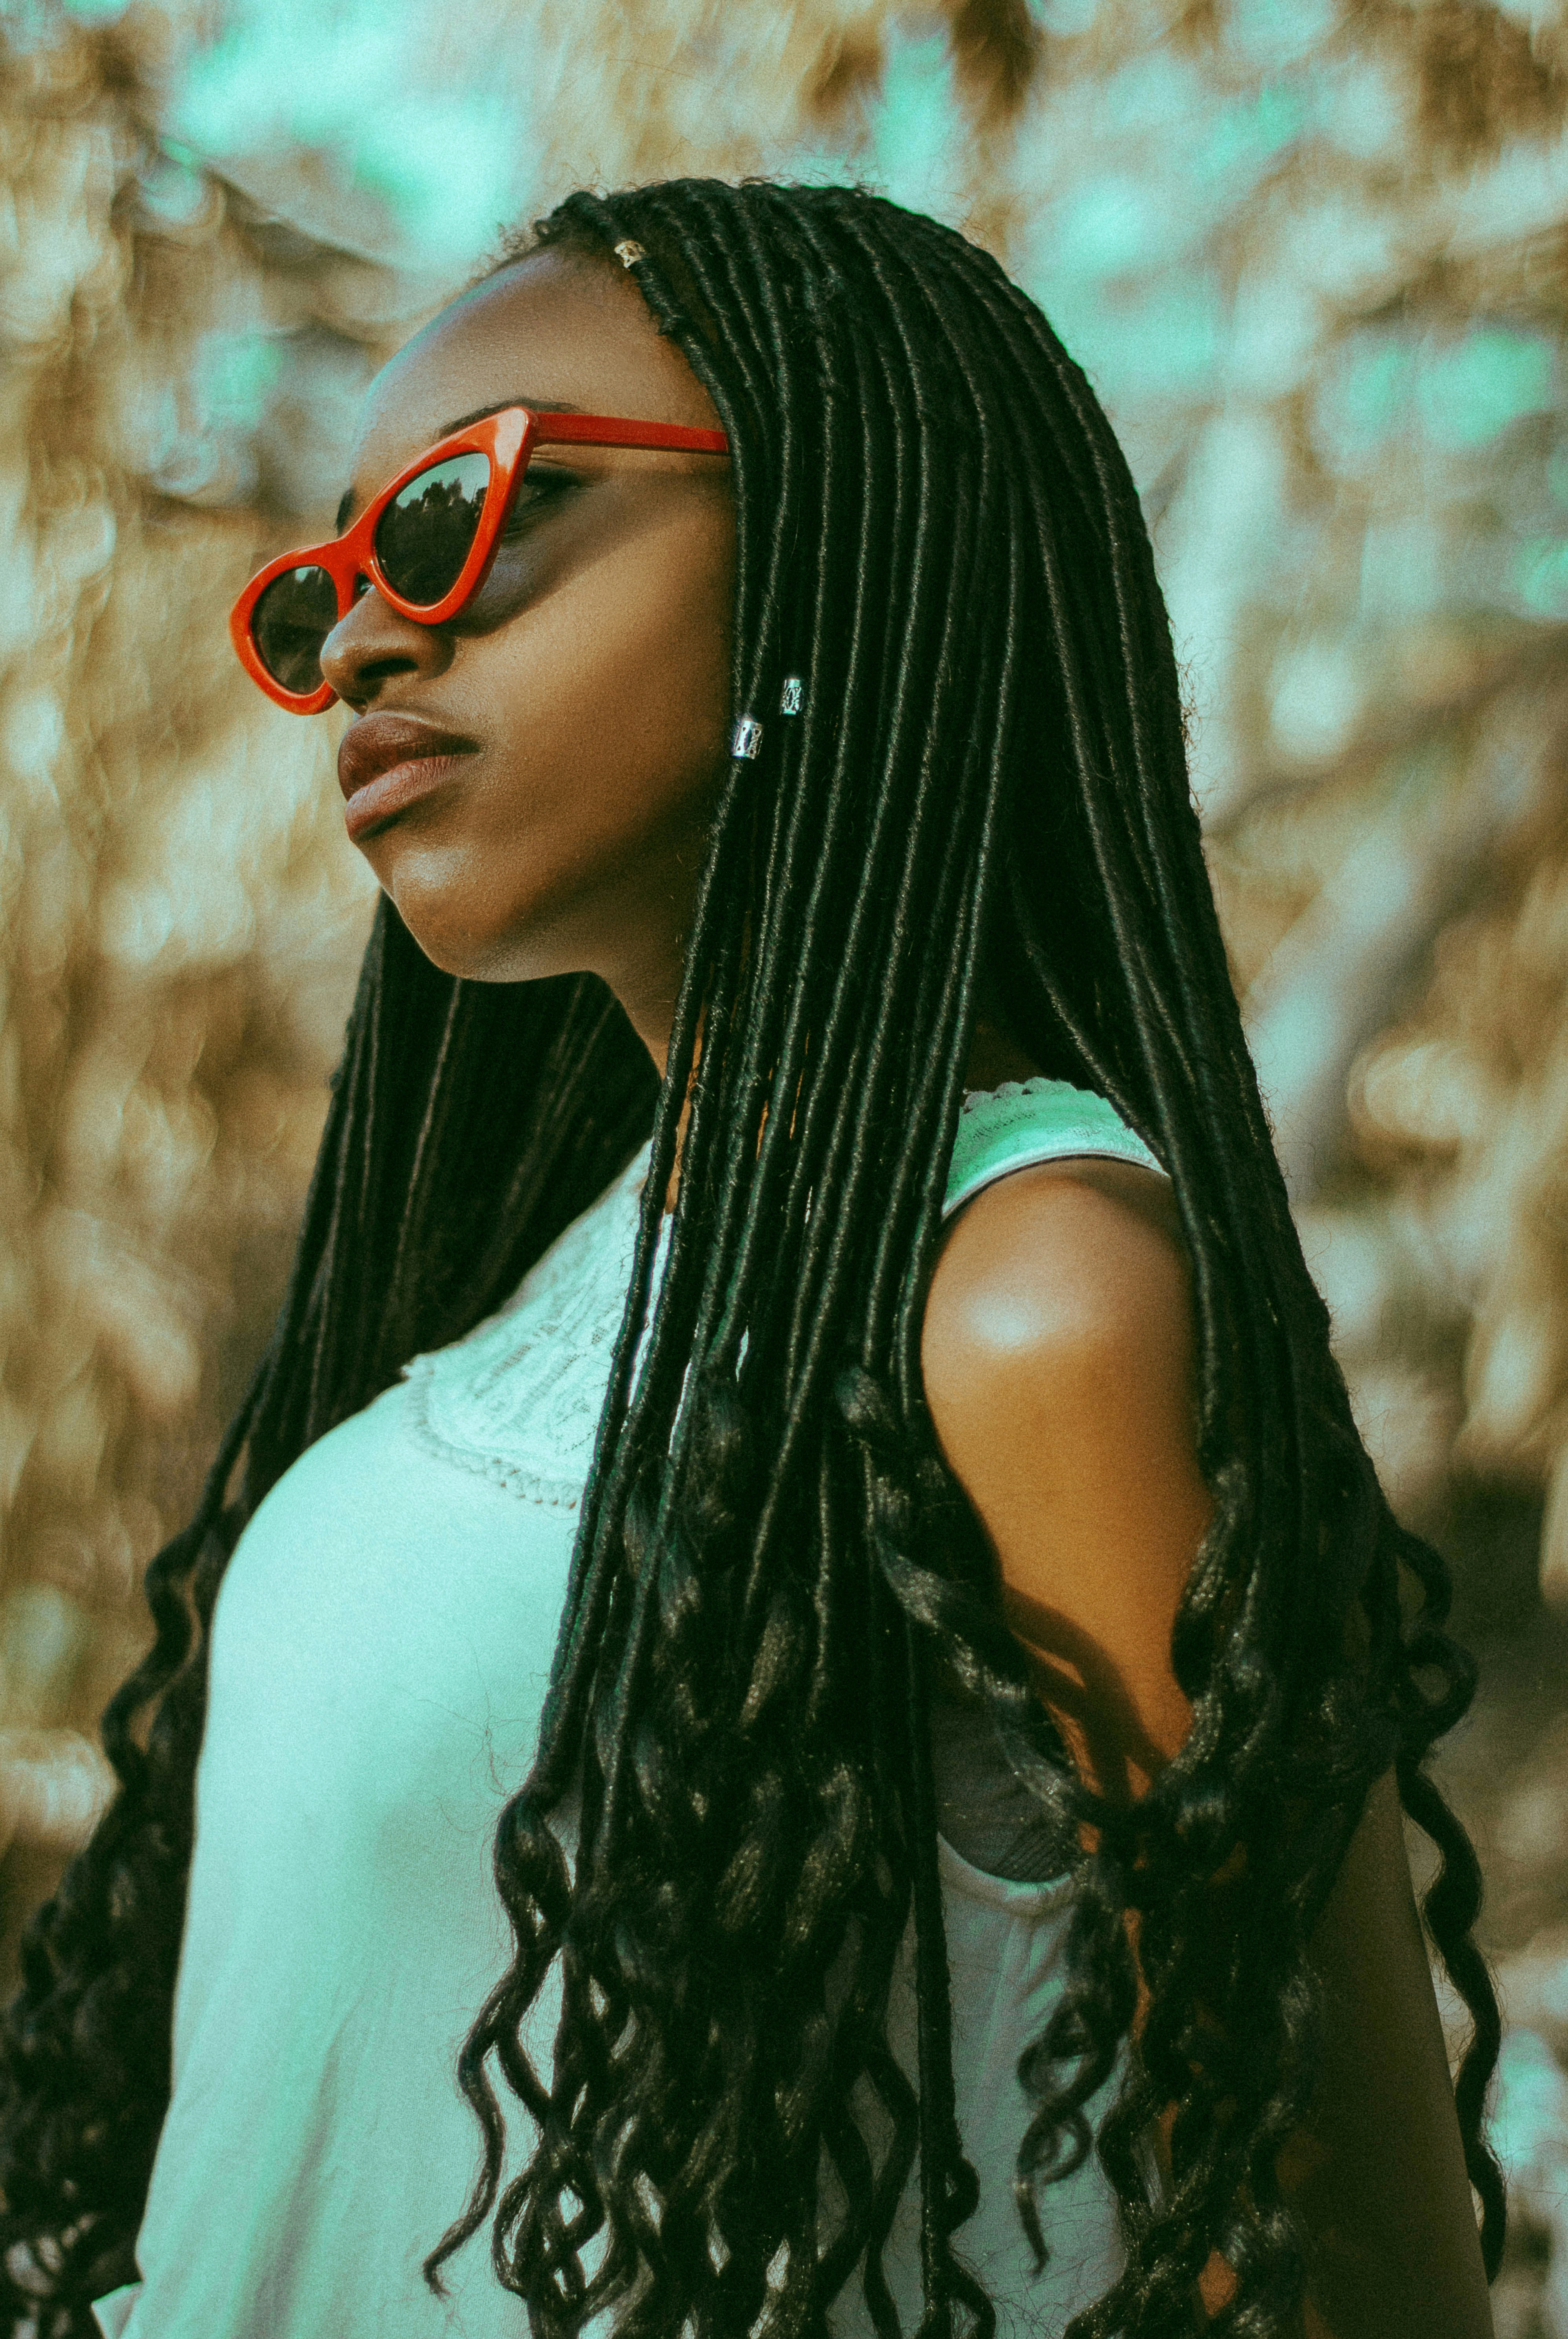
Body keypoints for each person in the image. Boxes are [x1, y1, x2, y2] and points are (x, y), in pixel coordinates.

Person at [0, 178, 1501, 2339]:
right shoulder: (569, 1270)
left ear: (832, 544)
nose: (358, 641)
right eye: (322, 582)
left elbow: (1352, 2266)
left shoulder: (1030, 1295)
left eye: (453, 521)